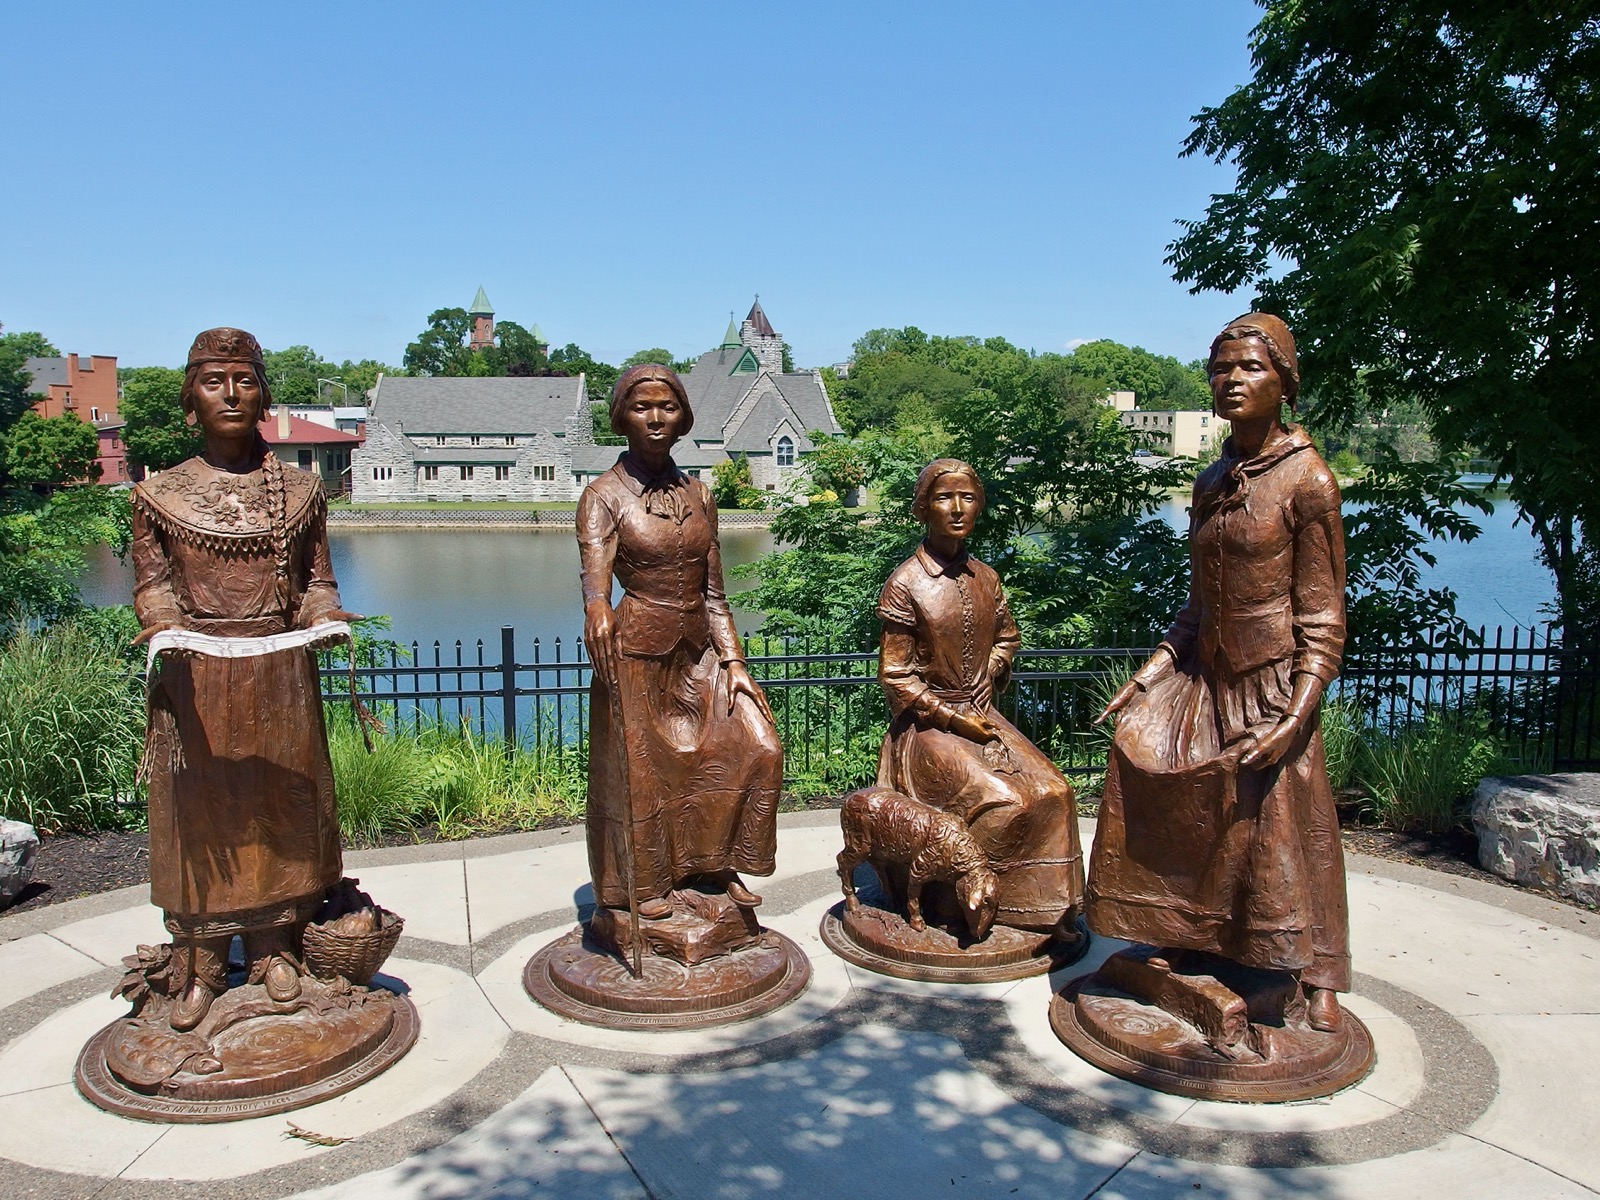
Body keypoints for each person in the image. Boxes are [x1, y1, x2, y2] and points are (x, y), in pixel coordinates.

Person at [1090, 313, 1350, 1033]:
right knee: (1145, 766)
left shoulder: (1309, 480)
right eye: (1221, 369)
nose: (1231, 380)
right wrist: (1149, 675)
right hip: (1206, 678)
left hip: (1274, 686)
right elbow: (1195, 607)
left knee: (1282, 824)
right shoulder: (1211, 480)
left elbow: (1324, 619)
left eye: (1251, 368)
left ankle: (1310, 971)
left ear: (1285, 384)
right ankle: (1189, 932)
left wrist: (1295, 717)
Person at [130, 328, 358, 1030]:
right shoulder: (158, 493)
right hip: (197, 682)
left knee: (279, 811)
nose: (231, 393)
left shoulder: (299, 489)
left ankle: (275, 950)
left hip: (279, 673)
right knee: (203, 817)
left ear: (264, 395)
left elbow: (315, 582)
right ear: (189, 399)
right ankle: (199, 960)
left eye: (245, 380)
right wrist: (166, 626)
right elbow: (152, 586)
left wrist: (326, 616)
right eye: (213, 380)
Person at [578, 364, 781, 922]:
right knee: (643, 775)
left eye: (667, 407)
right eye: (642, 407)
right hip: (638, 652)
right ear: (621, 416)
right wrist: (597, 609)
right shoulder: (603, 495)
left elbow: (714, 592)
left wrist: (734, 661)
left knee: (755, 748)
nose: (656, 418)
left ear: (684, 416)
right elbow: (594, 578)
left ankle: (714, 865)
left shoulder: (699, 493)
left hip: (701, 652)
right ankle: (643, 883)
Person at [873, 459, 1084, 938]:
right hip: (929, 727)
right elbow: (895, 675)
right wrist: (952, 718)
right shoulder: (906, 583)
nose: (957, 508)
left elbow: (1008, 637)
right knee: (1005, 800)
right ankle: (963, 902)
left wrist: (993, 667)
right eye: (945, 497)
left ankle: (1046, 910)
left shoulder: (985, 577)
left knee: (1056, 791)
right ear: (923, 507)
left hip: (982, 712)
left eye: (968, 497)